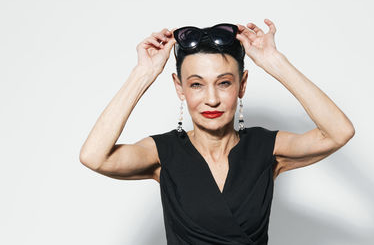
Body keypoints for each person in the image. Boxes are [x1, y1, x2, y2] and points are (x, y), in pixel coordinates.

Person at [79, 18, 355, 244]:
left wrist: (274, 62)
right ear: (180, 88)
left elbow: (338, 132)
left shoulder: (265, 147)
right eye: (197, 84)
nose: (211, 99)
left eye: (223, 83)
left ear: (242, 84)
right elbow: (94, 156)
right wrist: (143, 73)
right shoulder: (163, 153)